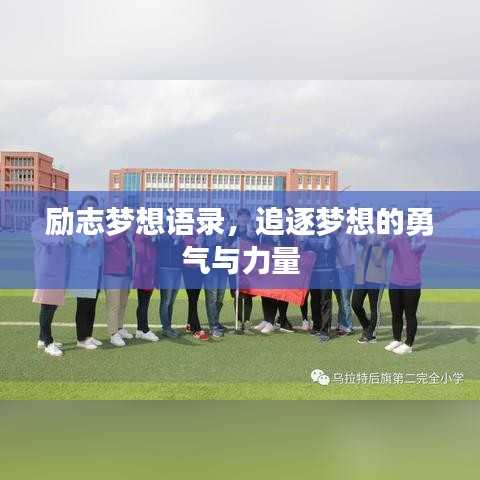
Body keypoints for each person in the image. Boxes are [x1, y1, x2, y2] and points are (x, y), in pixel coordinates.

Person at [31, 195, 69, 357]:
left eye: (55, 207)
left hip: (59, 271)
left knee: (52, 306)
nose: (53, 210)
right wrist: (60, 239)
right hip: (47, 271)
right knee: (47, 307)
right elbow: (45, 237)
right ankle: (48, 342)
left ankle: (42, 338)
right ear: (43, 209)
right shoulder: (38, 225)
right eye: (49, 207)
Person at [68, 195, 104, 350]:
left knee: (92, 305)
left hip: (96, 271)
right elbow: (79, 236)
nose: (91, 208)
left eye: (94, 206)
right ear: (81, 207)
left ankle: (88, 335)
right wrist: (88, 241)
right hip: (82, 272)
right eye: (88, 205)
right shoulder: (77, 223)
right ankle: (81, 338)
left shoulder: (98, 225)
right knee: (83, 306)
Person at [383, 232, 426, 354]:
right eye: (403, 226)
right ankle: (397, 340)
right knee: (396, 314)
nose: (405, 229)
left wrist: (416, 239)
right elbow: (386, 245)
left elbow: (416, 247)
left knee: (410, 315)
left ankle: (408, 345)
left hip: (412, 284)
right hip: (395, 282)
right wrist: (383, 238)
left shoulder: (420, 241)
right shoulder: (397, 240)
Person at [351, 224, 389, 345]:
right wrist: (358, 236)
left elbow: (383, 243)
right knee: (355, 303)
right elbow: (360, 239)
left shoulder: (386, 234)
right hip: (361, 276)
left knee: (374, 308)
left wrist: (377, 240)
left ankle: (371, 334)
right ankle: (367, 325)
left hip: (376, 277)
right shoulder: (367, 233)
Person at [103, 221, 133, 347]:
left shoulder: (124, 236)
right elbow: (108, 238)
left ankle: (120, 328)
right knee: (113, 304)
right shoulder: (108, 231)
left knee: (122, 303)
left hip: (125, 273)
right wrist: (123, 228)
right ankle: (113, 333)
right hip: (112, 273)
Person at [227, 208, 257, 330]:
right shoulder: (232, 231)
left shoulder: (252, 231)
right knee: (237, 294)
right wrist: (232, 245)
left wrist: (251, 238)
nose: (243, 219)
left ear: (249, 218)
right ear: (237, 218)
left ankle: (247, 320)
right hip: (234, 266)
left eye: (246, 217)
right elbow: (227, 245)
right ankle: (239, 320)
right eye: (241, 217)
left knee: (248, 295)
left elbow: (256, 246)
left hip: (248, 267)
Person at [305, 232, 337, 342]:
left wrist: (330, 245)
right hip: (313, 271)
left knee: (325, 300)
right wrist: (307, 251)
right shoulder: (311, 235)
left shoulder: (331, 235)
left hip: (326, 271)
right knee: (314, 300)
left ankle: (325, 331)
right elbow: (306, 249)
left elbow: (333, 250)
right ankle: (317, 326)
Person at [204, 207, 230, 338]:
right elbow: (207, 242)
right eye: (220, 217)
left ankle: (216, 320)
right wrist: (216, 239)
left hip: (223, 268)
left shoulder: (227, 231)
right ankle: (213, 326)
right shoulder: (210, 230)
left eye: (225, 217)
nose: (223, 220)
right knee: (212, 297)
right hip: (211, 268)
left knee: (220, 298)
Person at [182, 216, 209, 341]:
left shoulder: (204, 232)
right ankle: (197, 329)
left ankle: (189, 324)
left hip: (200, 269)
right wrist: (195, 242)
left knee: (194, 299)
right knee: (192, 298)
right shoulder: (187, 231)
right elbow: (185, 243)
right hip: (189, 270)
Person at [155, 228, 183, 338]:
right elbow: (162, 242)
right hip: (165, 270)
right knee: (166, 301)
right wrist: (173, 237)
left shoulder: (181, 232)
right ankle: (165, 328)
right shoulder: (164, 231)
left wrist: (178, 239)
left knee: (171, 301)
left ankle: (168, 327)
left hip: (177, 269)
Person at [133, 228, 159, 342]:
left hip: (148, 274)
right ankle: (145, 330)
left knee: (144, 303)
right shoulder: (140, 236)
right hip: (144, 275)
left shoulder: (148, 239)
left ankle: (140, 330)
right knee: (143, 303)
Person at [333, 220, 356, 336]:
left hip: (347, 270)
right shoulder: (336, 234)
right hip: (337, 271)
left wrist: (350, 226)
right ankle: (340, 324)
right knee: (341, 299)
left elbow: (355, 238)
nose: (343, 222)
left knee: (345, 299)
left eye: (345, 219)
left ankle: (348, 326)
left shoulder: (350, 234)